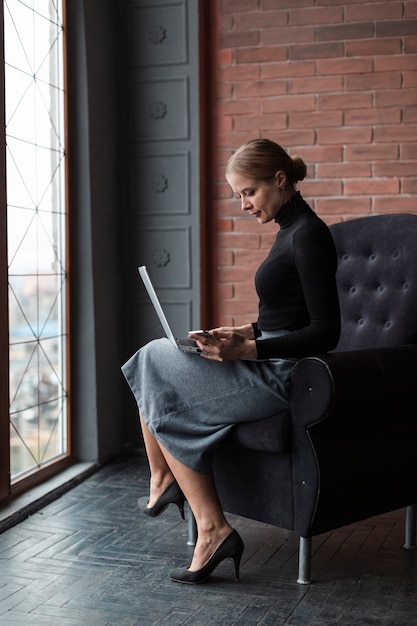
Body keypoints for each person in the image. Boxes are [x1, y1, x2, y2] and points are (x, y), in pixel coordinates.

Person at [122, 138, 341, 584]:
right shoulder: (289, 230)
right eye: (238, 194)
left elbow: (325, 332)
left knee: (153, 361)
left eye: (248, 192)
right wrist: (241, 332)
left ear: (280, 181)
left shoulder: (310, 235)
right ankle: (177, 494)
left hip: (284, 377)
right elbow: (284, 319)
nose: (242, 204)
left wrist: (248, 351)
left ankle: (198, 514)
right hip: (266, 362)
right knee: (154, 361)